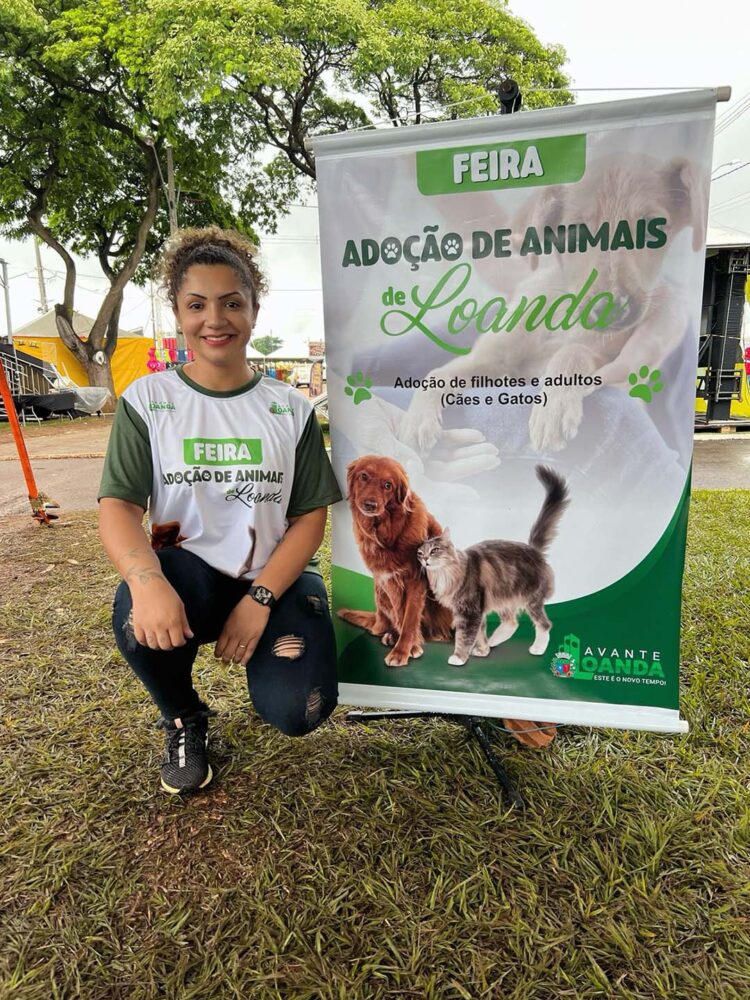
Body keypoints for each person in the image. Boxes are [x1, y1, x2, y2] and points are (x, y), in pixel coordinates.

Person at [99, 227, 342, 794]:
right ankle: (184, 717)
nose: (216, 319)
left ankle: (267, 642)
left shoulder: (290, 409)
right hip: (189, 578)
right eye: (197, 304)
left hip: (272, 581)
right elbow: (118, 507)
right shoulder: (149, 401)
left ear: (254, 311)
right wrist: (145, 580)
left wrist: (259, 601)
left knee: (299, 709)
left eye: (232, 302)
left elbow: (310, 517)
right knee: (137, 619)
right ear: (179, 313)